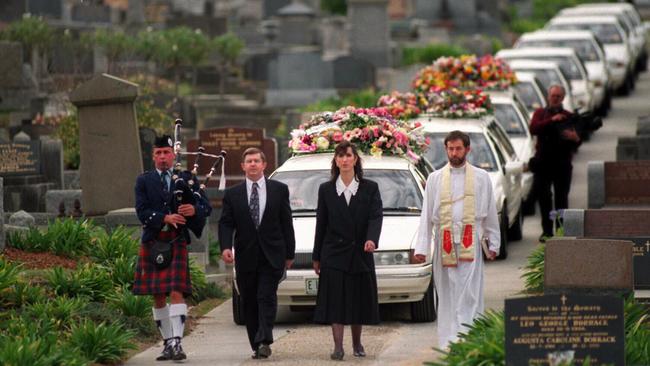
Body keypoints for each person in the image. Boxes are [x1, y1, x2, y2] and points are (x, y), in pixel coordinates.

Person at [413, 130, 500, 349]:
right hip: (445, 242)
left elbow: (490, 212)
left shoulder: (481, 177)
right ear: (446, 149)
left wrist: (493, 242)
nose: (454, 153)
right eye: (450, 149)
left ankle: (468, 338)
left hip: (470, 239)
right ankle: (449, 342)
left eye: (458, 148)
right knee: (447, 292)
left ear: (467, 149)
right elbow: (426, 216)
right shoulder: (434, 179)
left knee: (469, 291)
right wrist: (422, 247)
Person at [133, 135, 211, 361]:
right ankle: (167, 342)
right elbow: (142, 211)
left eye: (166, 152)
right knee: (158, 295)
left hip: (176, 240)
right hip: (154, 240)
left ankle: (177, 342)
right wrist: (165, 217)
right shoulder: (144, 181)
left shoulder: (187, 179)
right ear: (153, 156)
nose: (162, 157)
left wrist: (194, 209)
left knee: (176, 291)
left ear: (173, 154)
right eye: (158, 153)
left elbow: (205, 206)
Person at [219, 147, 296, 359]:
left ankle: (265, 339)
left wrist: (290, 253)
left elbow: (286, 222)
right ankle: (256, 343)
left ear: (264, 165)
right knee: (250, 300)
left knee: (266, 296)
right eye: (249, 161)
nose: (253, 164)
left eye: (256, 161)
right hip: (245, 256)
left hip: (272, 255)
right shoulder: (233, 194)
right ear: (243, 166)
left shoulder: (279, 190)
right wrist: (226, 247)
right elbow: (226, 223)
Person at [312, 141, 383, 361]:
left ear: (355, 159)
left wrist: (372, 239)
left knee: (357, 299)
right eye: (340, 156)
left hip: (360, 252)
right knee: (336, 301)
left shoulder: (370, 188)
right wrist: (317, 256)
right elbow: (321, 224)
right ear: (335, 160)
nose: (344, 160)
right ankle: (338, 347)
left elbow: (375, 216)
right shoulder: (326, 189)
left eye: (348, 155)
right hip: (333, 254)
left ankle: (357, 343)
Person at [529, 85, 581, 242]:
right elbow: (534, 129)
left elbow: (578, 141)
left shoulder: (569, 116)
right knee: (544, 198)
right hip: (543, 164)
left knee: (561, 199)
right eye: (553, 95)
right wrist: (552, 120)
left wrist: (575, 138)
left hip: (562, 164)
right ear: (547, 97)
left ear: (563, 98)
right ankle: (546, 231)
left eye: (559, 96)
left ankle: (560, 230)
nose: (555, 98)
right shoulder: (540, 114)